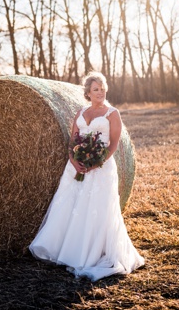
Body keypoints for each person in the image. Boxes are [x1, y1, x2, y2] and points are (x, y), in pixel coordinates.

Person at [29, 71, 145, 281]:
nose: (100, 92)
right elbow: (73, 140)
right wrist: (75, 161)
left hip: (101, 169)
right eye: (95, 89)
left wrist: (96, 162)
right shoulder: (81, 112)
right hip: (75, 166)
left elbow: (114, 144)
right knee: (71, 205)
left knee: (95, 208)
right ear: (88, 93)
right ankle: (63, 249)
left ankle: (88, 253)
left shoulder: (112, 113)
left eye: (102, 88)